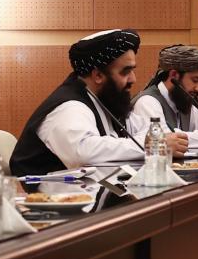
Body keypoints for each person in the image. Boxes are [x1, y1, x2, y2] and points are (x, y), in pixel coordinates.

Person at [10, 29, 188, 176]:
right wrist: (153, 145)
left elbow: (150, 130)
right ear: (98, 75)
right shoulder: (69, 107)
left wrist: (160, 141)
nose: (133, 79)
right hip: (51, 209)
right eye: (125, 72)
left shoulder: (107, 100)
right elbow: (84, 153)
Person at [132, 45, 198, 148]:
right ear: (174, 75)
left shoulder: (183, 99)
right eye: (195, 80)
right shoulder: (148, 102)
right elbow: (166, 140)